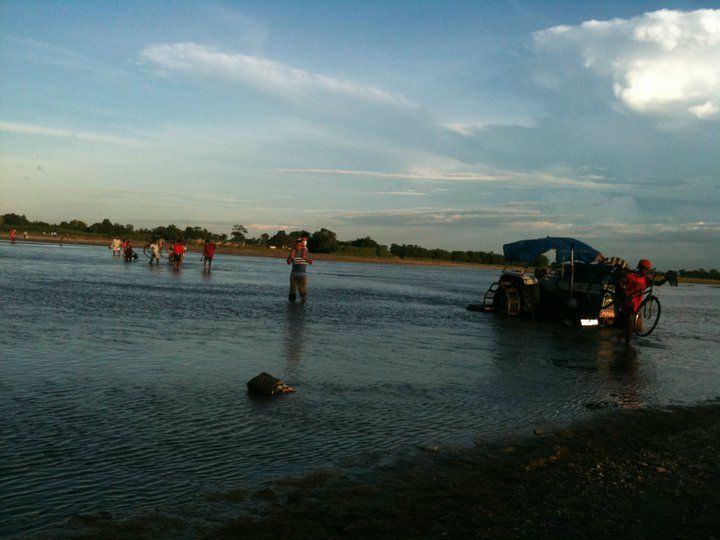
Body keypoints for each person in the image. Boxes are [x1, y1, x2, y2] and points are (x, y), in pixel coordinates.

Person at [287, 238, 312, 302]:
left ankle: (303, 304)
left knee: (302, 291)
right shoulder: (292, 252)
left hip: (302, 275)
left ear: (301, 246)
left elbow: (310, 262)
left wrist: (306, 258)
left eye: (299, 245)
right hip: (293, 275)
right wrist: (291, 258)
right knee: (292, 291)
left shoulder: (305, 253)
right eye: (296, 245)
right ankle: (291, 304)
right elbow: (288, 262)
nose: (297, 246)